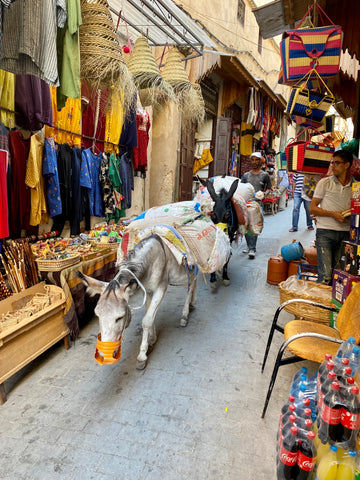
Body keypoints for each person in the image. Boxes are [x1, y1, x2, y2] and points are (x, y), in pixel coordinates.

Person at [310, 149, 355, 285]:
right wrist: (333, 215)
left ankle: (331, 305)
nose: (332, 166)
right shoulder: (324, 183)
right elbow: (312, 208)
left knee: (339, 276)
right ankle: (318, 304)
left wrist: (350, 214)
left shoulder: (356, 186)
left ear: (346, 165)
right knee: (325, 276)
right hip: (325, 232)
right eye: (332, 163)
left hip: (346, 235)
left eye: (336, 163)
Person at [241, 151, 272, 259]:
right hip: (246, 203)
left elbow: (269, 189)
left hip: (257, 204)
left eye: (256, 160)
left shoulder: (265, 175)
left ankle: (252, 248)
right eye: (252, 160)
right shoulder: (245, 176)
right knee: (245, 225)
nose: (254, 162)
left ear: (260, 161)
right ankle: (249, 245)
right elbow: (241, 189)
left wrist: (263, 194)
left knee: (254, 225)